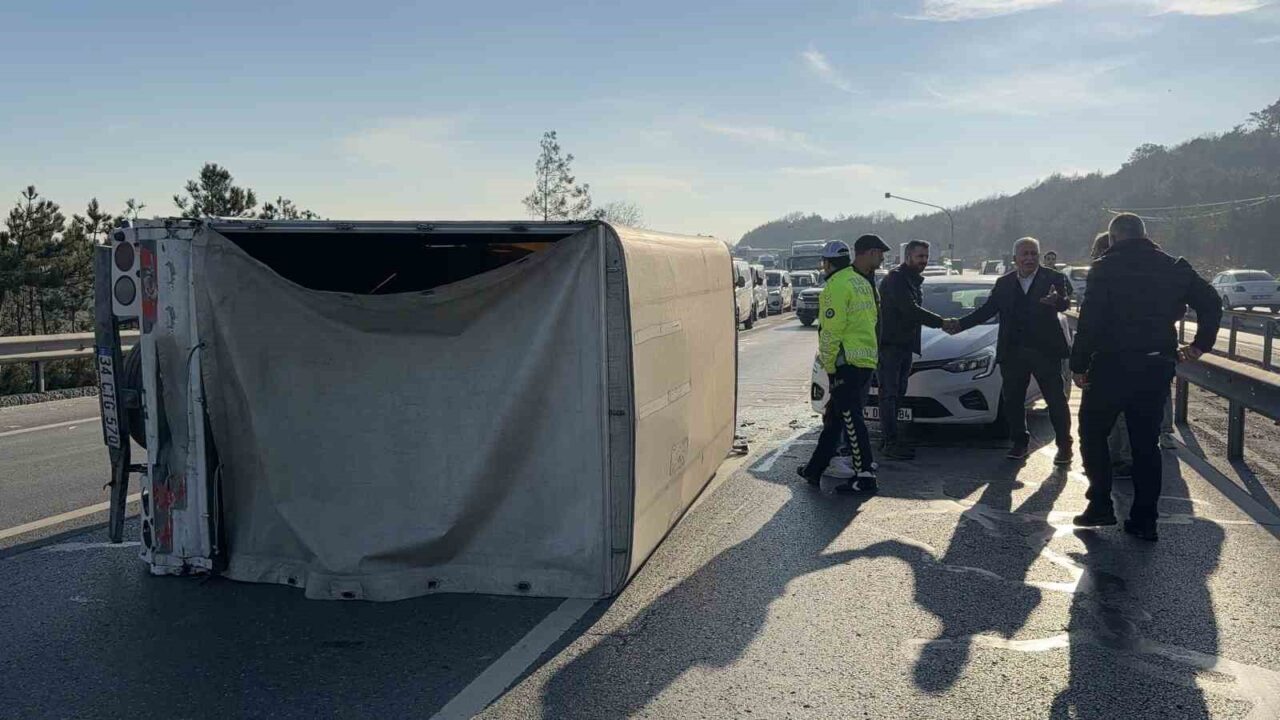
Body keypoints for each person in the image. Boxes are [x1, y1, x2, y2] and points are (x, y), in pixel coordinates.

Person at [1071, 213, 1221, 541]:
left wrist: (1078, 365)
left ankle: (1100, 504)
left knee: (1092, 432)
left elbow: (1090, 321)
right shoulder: (1174, 266)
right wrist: (1199, 345)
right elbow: (1211, 303)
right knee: (1146, 444)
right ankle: (1145, 519)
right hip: (1155, 366)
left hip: (1111, 365)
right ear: (1144, 235)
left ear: (1113, 238)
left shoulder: (1105, 268)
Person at [945, 237, 1074, 463]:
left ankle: (1064, 445)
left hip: (1045, 352)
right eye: (1025, 254)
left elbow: (1065, 302)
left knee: (1056, 400)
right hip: (1013, 352)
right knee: (1013, 400)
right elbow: (987, 310)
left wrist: (1057, 301)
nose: (1029, 258)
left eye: (1034, 254)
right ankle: (1019, 442)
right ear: (1015, 258)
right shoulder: (1004, 283)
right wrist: (960, 325)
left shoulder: (1054, 278)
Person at [798, 235, 888, 493]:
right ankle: (815, 469)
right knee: (835, 419)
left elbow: (830, 330)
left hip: (846, 362)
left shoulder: (835, 286)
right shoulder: (861, 282)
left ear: (827, 264)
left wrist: (829, 365)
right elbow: (873, 321)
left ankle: (865, 474)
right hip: (864, 358)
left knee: (851, 418)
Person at [877, 239, 945, 459]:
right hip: (890, 346)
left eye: (926, 257)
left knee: (897, 393)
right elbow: (909, 309)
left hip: (904, 345)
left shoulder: (912, 280)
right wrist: (942, 323)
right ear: (908, 257)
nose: (923, 261)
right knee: (889, 395)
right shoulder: (897, 279)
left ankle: (891, 440)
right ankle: (889, 442)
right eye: (919, 256)